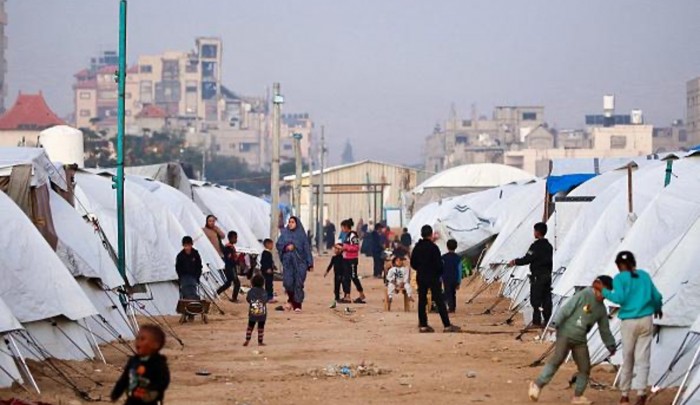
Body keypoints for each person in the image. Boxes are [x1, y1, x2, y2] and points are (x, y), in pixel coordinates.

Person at [529, 276, 617, 405]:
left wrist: (610, 345)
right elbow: (567, 308)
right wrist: (555, 323)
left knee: (584, 368)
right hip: (565, 334)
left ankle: (578, 396)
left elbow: (605, 329)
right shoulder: (584, 295)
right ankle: (537, 385)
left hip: (580, 341)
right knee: (557, 359)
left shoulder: (601, 309)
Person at [602, 251, 663, 405]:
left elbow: (619, 298)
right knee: (643, 358)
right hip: (646, 319)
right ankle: (641, 393)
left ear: (619, 265)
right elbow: (656, 296)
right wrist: (657, 308)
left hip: (629, 321)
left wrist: (603, 291)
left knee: (628, 357)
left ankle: (625, 395)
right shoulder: (644, 276)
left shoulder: (619, 278)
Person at [410, 225, 461, 333]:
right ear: (431, 234)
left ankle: (423, 325)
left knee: (422, 300)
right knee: (439, 300)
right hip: (433, 277)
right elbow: (439, 265)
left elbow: (413, 263)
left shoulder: (417, 247)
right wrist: (438, 274)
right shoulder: (434, 248)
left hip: (421, 277)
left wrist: (421, 269)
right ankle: (447, 325)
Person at [111, 324, 170, 405]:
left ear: (155, 344)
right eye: (137, 338)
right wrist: (116, 392)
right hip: (132, 400)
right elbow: (124, 378)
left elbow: (163, 380)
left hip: (150, 401)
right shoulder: (133, 360)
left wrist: (151, 391)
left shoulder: (158, 363)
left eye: (142, 339)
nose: (138, 342)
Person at [509, 222, 554, 328]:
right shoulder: (549, 246)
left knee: (536, 300)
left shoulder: (535, 246)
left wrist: (515, 261)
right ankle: (547, 320)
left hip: (538, 276)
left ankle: (536, 322)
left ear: (537, 232)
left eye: (534, 231)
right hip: (547, 275)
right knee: (546, 299)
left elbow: (527, 259)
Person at [276, 216, 313, 312]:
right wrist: (286, 247)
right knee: (288, 283)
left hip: (300, 263)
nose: (290, 224)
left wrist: (310, 263)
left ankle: (297, 305)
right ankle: (291, 300)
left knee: (298, 283)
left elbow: (307, 249)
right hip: (288, 263)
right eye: (289, 222)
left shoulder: (302, 235)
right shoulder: (284, 234)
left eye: (293, 222)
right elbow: (279, 244)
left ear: (297, 223)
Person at [341, 219, 366, 303]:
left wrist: (345, 248)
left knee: (353, 277)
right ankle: (347, 295)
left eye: (342, 227)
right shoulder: (346, 235)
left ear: (346, 227)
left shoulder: (353, 235)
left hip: (352, 259)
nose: (342, 229)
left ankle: (361, 294)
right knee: (346, 277)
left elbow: (356, 247)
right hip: (346, 259)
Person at [244, 274, 268, 346]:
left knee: (250, 326)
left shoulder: (251, 291)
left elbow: (248, 299)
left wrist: (253, 302)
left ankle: (247, 339)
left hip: (253, 311)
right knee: (261, 327)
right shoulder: (263, 291)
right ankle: (260, 341)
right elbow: (266, 299)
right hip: (262, 312)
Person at [217, 231, 241, 302]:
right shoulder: (229, 248)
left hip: (229, 267)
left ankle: (217, 292)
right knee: (237, 283)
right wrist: (236, 261)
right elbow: (230, 258)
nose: (236, 239)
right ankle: (234, 298)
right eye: (235, 238)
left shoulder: (230, 247)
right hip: (231, 267)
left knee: (228, 283)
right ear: (230, 238)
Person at [442, 239, 462, 313]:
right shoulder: (458, 258)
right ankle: (453, 307)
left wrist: (440, 277)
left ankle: (450, 307)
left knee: (448, 292)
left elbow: (441, 268)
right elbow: (459, 270)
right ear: (456, 247)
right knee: (453, 292)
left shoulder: (443, 257)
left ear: (447, 247)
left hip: (446, 277)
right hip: (454, 278)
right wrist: (459, 281)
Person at [260, 238, 277, 303]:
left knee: (270, 284)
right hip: (267, 272)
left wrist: (273, 266)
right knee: (268, 284)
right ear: (267, 244)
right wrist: (267, 269)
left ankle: (270, 296)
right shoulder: (265, 253)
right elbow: (263, 262)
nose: (272, 246)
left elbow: (270, 262)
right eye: (271, 245)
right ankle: (268, 297)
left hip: (270, 271)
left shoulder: (268, 253)